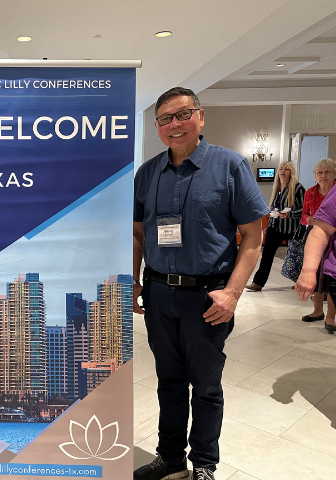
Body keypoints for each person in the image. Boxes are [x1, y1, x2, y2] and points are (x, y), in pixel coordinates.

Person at [132, 87, 268, 480]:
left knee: (206, 387)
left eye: (183, 115)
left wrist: (232, 294)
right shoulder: (148, 173)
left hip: (207, 297)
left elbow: (253, 238)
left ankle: (204, 465)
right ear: (157, 127)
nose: (175, 125)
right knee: (168, 382)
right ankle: (170, 457)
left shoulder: (230, 166)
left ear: (200, 116)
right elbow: (139, 234)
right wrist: (137, 282)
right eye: (165, 119)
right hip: (159, 293)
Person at [245, 161, 305, 291]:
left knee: (296, 255)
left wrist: (289, 214)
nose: (283, 171)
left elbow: (304, 210)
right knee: (267, 254)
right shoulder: (277, 187)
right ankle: (258, 283)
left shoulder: (298, 188)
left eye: (286, 169)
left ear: (291, 172)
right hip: (275, 226)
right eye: (281, 169)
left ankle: (300, 282)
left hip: (291, 228)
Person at [299, 158, 336, 322]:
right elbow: (303, 217)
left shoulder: (334, 192)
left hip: (333, 240)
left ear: (334, 173)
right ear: (315, 175)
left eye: (327, 172)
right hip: (317, 235)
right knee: (318, 276)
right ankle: (317, 311)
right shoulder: (310, 193)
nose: (323, 176)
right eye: (320, 172)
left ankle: (330, 317)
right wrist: (309, 220)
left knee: (331, 277)